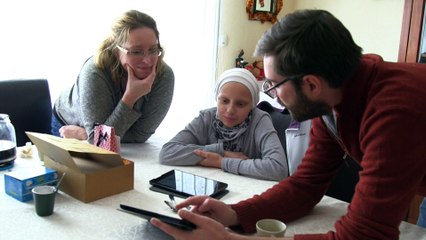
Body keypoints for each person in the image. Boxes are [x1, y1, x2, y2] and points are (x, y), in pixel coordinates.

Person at [150, 9, 426, 239]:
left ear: (311, 84)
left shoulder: (395, 113)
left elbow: (364, 235)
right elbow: (306, 185)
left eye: (274, 85)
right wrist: (234, 213)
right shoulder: (333, 96)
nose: (272, 94)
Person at [51, 10, 174, 143]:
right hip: (67, 125)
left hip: (91, 132)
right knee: (91, 163)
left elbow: (140, 136)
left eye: (153, 50)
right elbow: (101, 145)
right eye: (136, 52)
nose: (147, 60)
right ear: (117, 52)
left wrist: (88, 135)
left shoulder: (164, 76)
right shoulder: (95, 72)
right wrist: (130, 98)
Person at [159, 68, 288, 181]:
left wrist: (221, 162)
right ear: (217, 98)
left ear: (252, 106)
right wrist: (221, 152)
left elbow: (278, 168)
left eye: (240, 104)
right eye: (224, 101)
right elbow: (167, 153)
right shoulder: (206, 117)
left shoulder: (260, 120)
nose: (230, 110)